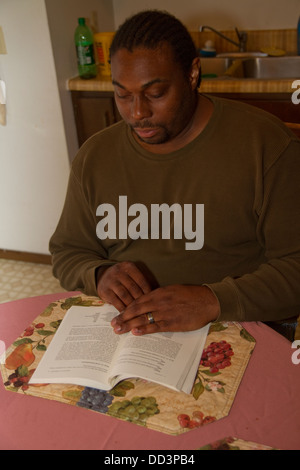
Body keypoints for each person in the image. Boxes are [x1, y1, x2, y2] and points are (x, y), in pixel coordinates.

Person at [50, 10, 300, 339]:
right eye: (123, 95)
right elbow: (67, 252)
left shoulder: (265, 145)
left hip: (235, 326)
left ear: (193, 73)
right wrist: (97, 273)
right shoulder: (95, 157)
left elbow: (295, 266)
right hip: (127, 336)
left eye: (155, 94)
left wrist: (213, 300)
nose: (137, 113)